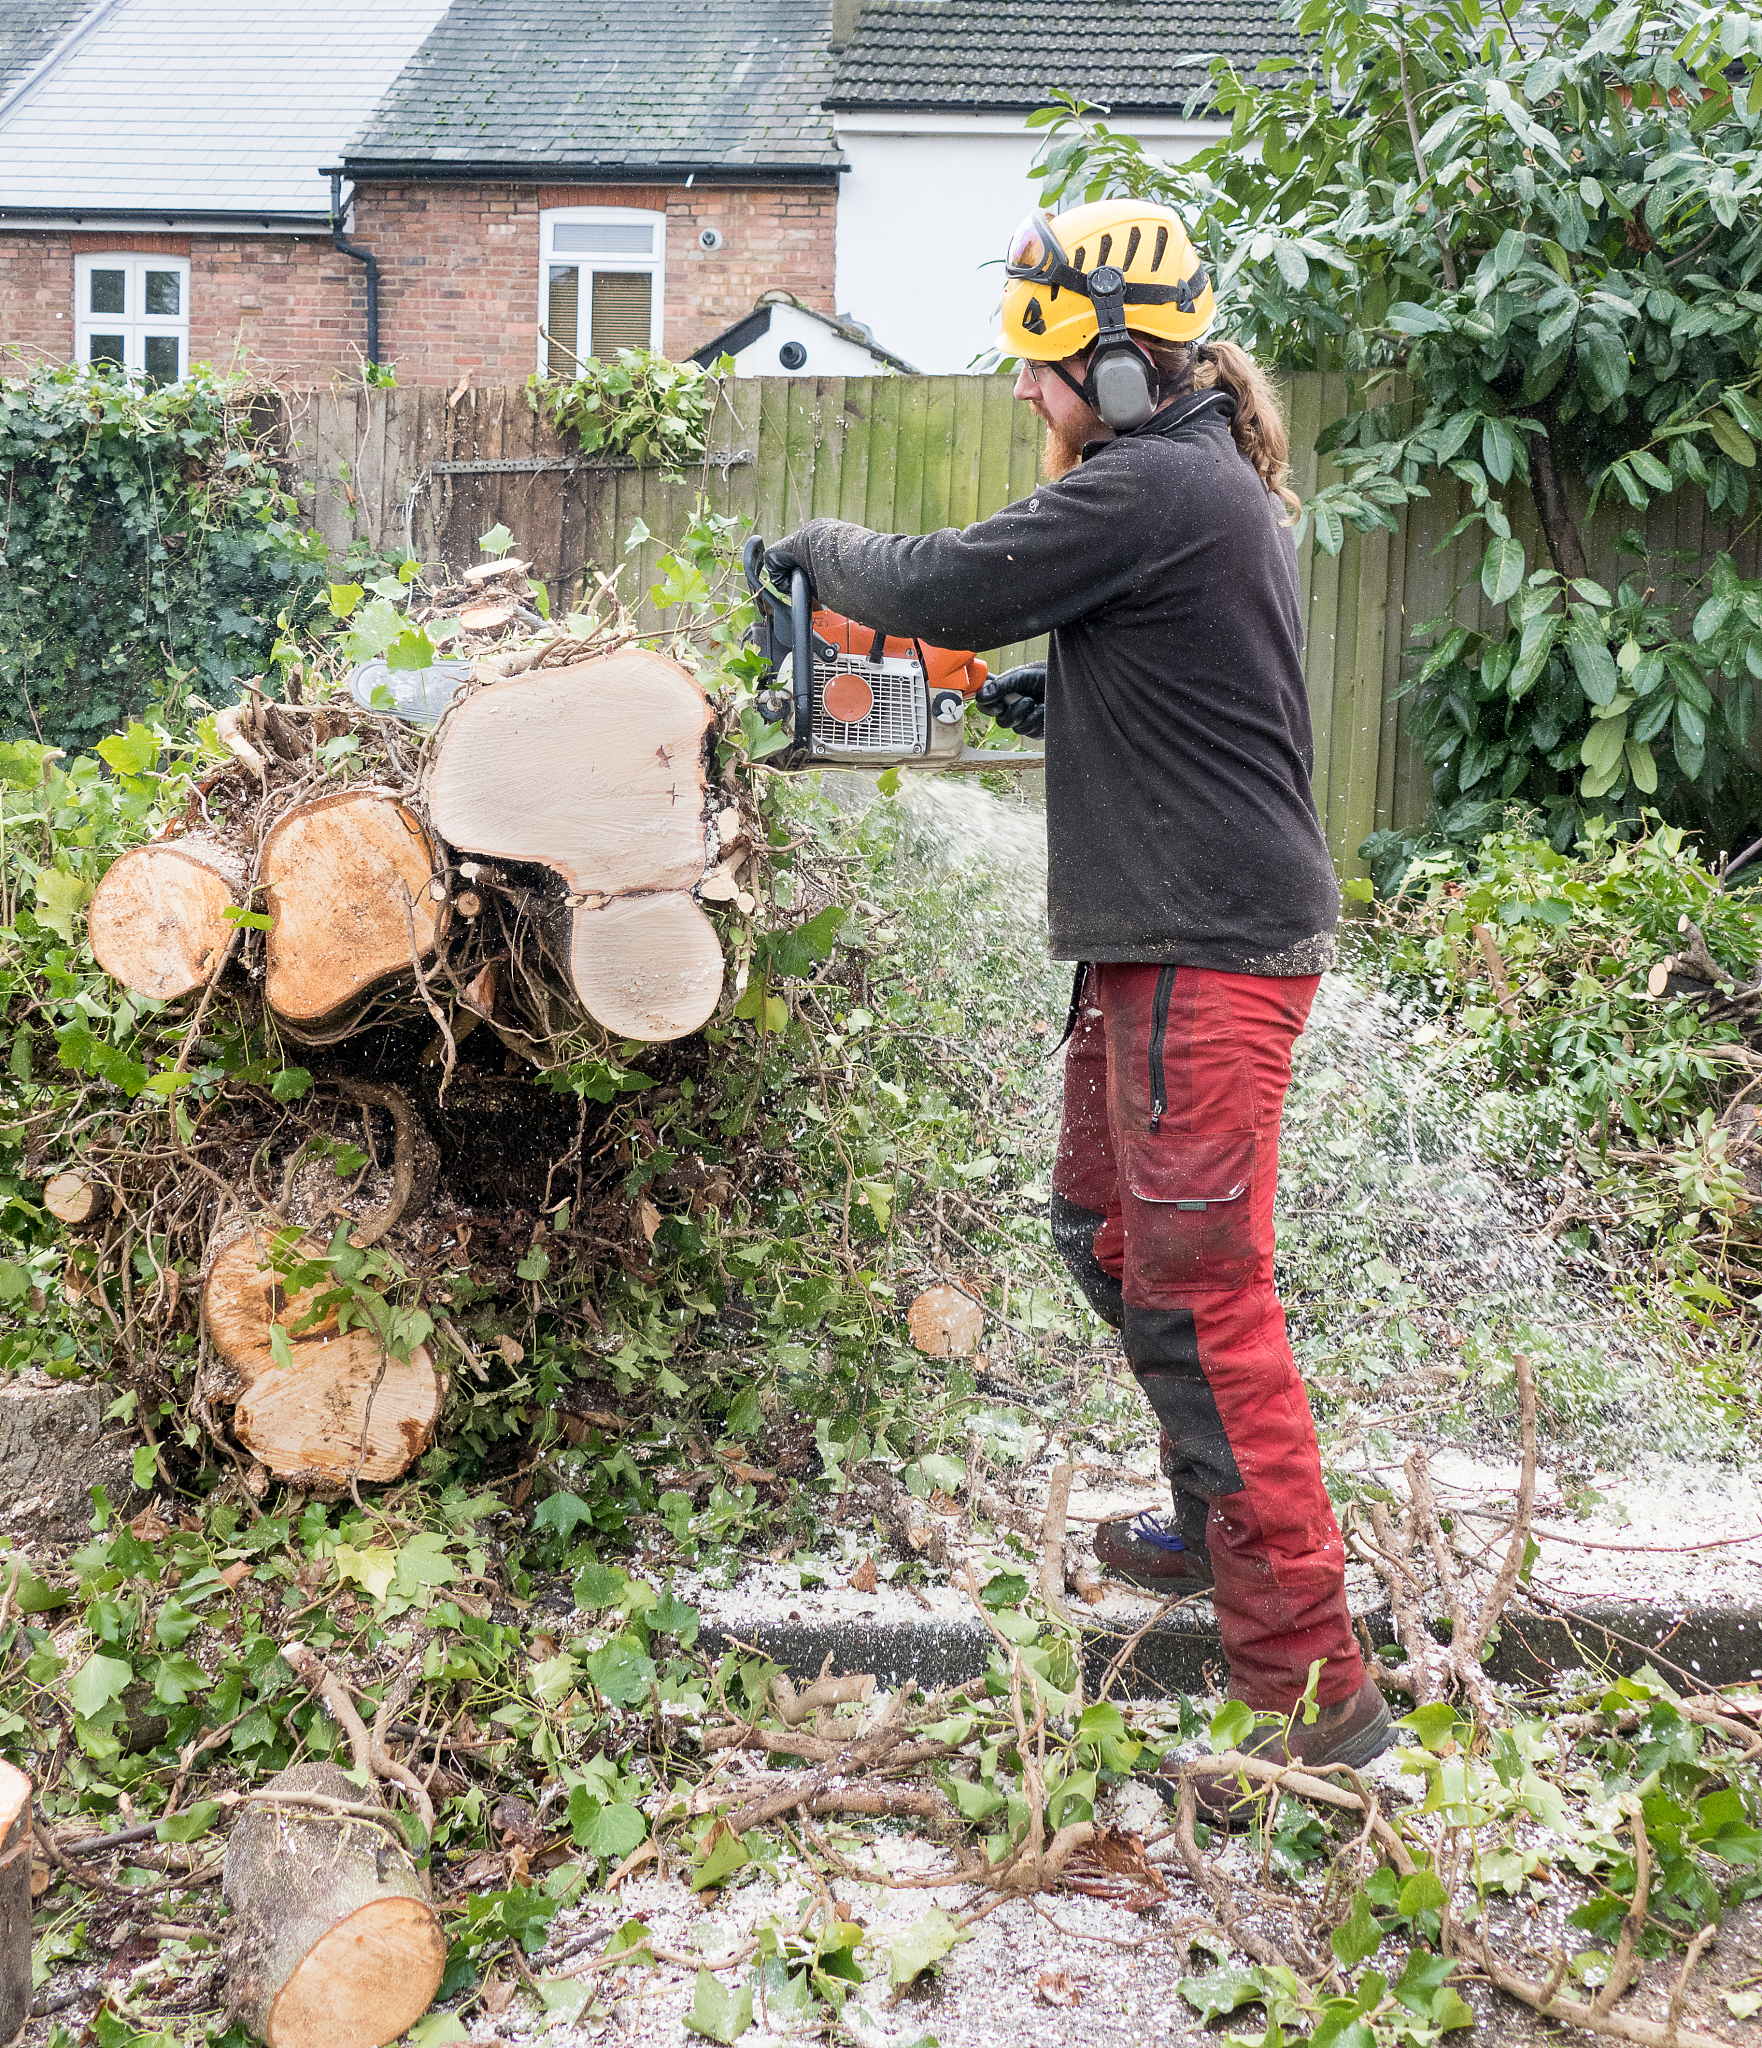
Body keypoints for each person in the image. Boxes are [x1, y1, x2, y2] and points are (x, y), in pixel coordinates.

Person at [763, 198, 1391, 1776]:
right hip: (1153, 940)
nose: (1026, 395)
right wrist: (1082, 693)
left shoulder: (1155, 482)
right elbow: (1187, 670)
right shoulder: (1188, 487)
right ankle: (1211, 1515)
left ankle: (1313, 1699)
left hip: (1204, 948)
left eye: (1045, 369)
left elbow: (953, 587)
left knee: (1202, 1297)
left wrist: (821, 553)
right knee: (1099, 1234)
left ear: (1120, 371)